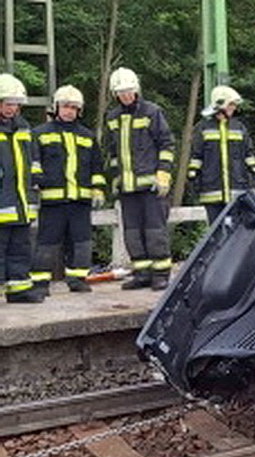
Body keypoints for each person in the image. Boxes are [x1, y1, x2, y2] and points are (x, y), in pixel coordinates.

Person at [30, 85, 106, 294]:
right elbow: (33, 164)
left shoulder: (87, 136)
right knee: (46, 243)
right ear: (56, 107)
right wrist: (37, 182)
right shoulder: (39, 133)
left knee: (81, 243)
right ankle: (40, 283)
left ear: (79, 110)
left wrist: (98, 188)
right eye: (65, 106)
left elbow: (96, 166)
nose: (69, 111)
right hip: (52, 201)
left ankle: (77, 279)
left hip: (81, 201)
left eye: (73, 107)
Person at [105, 67, 175, 291]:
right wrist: (116, 179)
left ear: (136, 90)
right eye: (121, 92)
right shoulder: (112, 118)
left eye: (129, 91)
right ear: (115, 94)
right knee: (132, 233)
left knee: (155, 232)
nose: (125, 96)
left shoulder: (151, 112)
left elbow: (166, 144)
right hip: (127, 188)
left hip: (152, 187)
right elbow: (112, 152)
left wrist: (163, 173)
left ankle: (161, 273)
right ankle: (142, 273)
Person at [187, 85, 255, 225]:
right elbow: (196, 156)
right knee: (216, 235)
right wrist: (193, 178)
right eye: (230, 104)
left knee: (237, 234)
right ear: (220, 105)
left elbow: (249, 154)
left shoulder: (239, 127)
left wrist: (253, 173)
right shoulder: (203, 128)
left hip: (237, 190)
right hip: (212, 191)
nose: (233, 108)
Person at [0, 73, 42, 303]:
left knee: (20, 248)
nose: (11, 109)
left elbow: (32, 162)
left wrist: (34, 186)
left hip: (21, 202)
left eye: (15, 105)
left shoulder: (23, 128)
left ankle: (19, 290)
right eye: (8, 104)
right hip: (3, 200)